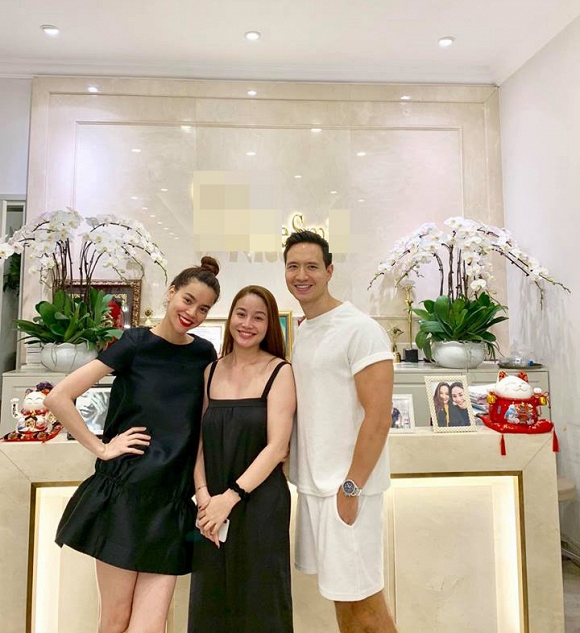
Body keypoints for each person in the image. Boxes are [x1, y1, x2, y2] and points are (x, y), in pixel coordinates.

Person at [45, 258, 221, 633]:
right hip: (125, 497)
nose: (192, 313)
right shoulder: (135, 343)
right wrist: (102, 448)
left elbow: (204, 429)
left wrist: (203, 489)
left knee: (150, 626)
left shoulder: (204, 353)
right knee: (115, 619)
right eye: (188, 300)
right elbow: (58, 397)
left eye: (203, 308)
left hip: (172, 503)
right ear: (171, 293)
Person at [284, 230, 398, 633]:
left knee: (366, 607)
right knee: (344, 602)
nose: (302, 275)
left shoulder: (360, 329)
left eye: (312, 266)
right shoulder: (305, 330)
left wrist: (351, 488)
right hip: (316, 490)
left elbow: (379, 417)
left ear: (329, 271)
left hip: (348, 491)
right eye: (293, 266)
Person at [188, 285, 296, 633]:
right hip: (211, 509)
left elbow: (277, 448)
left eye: (258, 317)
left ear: (269, 325)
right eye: (241, 314)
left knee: (260, 606)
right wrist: (204, 496)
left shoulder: (280, 371)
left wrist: (230, 498)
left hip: (260, 502)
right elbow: (200, 442)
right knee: (210, 603)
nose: (247, 324)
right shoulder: (210, 371)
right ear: (230, 317)